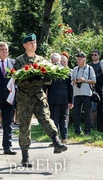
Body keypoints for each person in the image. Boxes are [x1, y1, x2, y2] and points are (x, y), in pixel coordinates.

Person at [14, 33, 67, 167]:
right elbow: (16, 79)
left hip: (38, 95)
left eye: (35, 42)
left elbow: (48, 80)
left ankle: (56, 143)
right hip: (25, 97)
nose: (33, 44)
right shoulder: (19, 60)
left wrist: (46, 77)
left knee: (46, 119)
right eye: (30, 43)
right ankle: (25, 157)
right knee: (25, 126)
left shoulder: (42, 60)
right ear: (25, 45)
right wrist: (27, 78)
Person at [44, 53, 73, 144]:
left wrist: (43, 96)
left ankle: (55, 139)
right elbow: (70, 87)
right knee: (63, 117)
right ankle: (64, 137)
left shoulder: (50, 72)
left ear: (52, 61)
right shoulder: (66, 71)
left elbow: (45, 86)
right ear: (60, 61)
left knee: (54, 119)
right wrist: (70, 100)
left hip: (53, 99)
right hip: (64, 99)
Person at [71, 52, 96, 135]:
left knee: (87, 113)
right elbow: (71, 81)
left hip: (87, 94)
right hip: (76, 94)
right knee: (76, 113)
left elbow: (94, 81)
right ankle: (77, 130)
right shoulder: (75, 69)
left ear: (84, 59)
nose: (78, 60)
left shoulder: (90, 69)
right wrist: (76, 81)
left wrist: (84, 80)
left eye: (80, 59)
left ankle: (87, 130)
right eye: (77, 59)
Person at [0, 42, 16, 155]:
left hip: (9, 98)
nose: (4, 51)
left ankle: (7, 147)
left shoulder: (13, 63)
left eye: (6, 49)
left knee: (8, 124)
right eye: (2, 49)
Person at [89, 49, 103, 132]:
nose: (93, 56)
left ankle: (95, 122)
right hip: (89, 88)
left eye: (95, 55)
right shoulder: (89, 66)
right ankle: (91, 123)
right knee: (91, 107)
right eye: (92, 55)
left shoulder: (101, 65)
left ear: (98, 56)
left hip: (98, 88)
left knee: (96, 107)